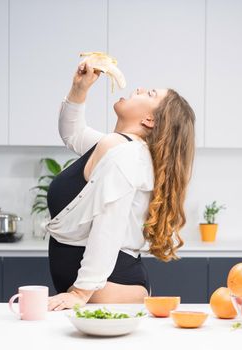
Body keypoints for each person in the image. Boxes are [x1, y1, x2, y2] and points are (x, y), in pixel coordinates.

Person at [46, 61, 196, 311]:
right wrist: (79, 89)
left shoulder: (127, 154)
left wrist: (82, 291)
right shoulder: (117, 146)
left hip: (109, 286)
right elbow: (72, 134)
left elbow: (110, 223)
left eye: (150, 94)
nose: (138, 89)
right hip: (100, 286)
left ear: (149, 119)